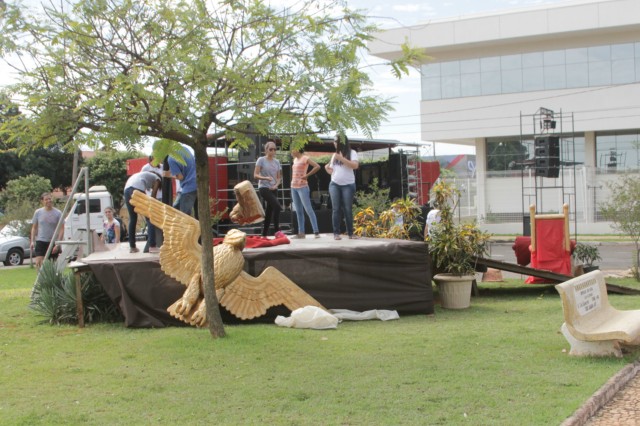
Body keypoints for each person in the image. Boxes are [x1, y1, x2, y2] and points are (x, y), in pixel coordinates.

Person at [325, 134, 359, 240]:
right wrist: (327, 168)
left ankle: (350, 233)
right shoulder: (334, 155)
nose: (334, 143)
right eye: (333, 141)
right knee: (336, 209)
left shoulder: (352, 152)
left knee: (347, 209)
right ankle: (336, 233)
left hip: (348, 185)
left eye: (335, 141)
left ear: (342, 142)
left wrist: (341, 158)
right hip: (334, 184)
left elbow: (355, 166)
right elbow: (331, 171)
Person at [123, 171, 161, 253]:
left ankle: (132, 247)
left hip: (126, 190)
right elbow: (153, 196)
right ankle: (152, 246)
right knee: (150, 217)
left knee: (133, 218)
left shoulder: (142, 175)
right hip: (136, 189)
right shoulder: (157, 178)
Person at [290, 148, 321, 238]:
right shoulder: (295, 160)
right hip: (293, 187)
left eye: (292, 149)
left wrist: (307, 175)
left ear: (297, 150)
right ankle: (301, 232)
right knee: (298, 211)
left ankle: (316, 232)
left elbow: (317, 166)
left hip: (302, 186)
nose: (291, 151)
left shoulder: (305, 158)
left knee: (308, 209)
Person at [254, 140, 282, 237]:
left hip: (273, 188)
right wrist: (265, 178)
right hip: (264, 187)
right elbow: (255, 175)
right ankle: (277, 231)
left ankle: (264, 234)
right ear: (266, 150)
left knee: (269, 211)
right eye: (271, 149)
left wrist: (276, 185)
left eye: (275, 149)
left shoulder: (277, 162)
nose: (273, 151)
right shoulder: (261, 160)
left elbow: (279, 178)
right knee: (277, 206)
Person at [30, 192, 64, 269]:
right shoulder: (38, 212)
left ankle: (51, 281)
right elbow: (34, 227)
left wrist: (58, 243)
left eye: (49, 199)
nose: (48, 201)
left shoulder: (58, 213)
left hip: (52, 242)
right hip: (41, 241)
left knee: (52, 267)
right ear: (42, 201)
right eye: (46, 199)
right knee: (39, 264)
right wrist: (32, 241)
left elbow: (62, 228)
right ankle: (41, 280)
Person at [165, 145, 197, 216]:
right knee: (199, 215)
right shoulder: (184, 149)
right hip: (198, 184)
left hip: (189, 187)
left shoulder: (171, 159)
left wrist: (167, 174)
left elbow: (180, 177)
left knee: (184, 217)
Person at [140, 156, 163, 251]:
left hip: (160, 195)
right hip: (151, 196)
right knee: (152, 220)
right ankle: (153, 243)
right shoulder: (146, 168)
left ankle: (157, 241)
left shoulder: (162, 167)